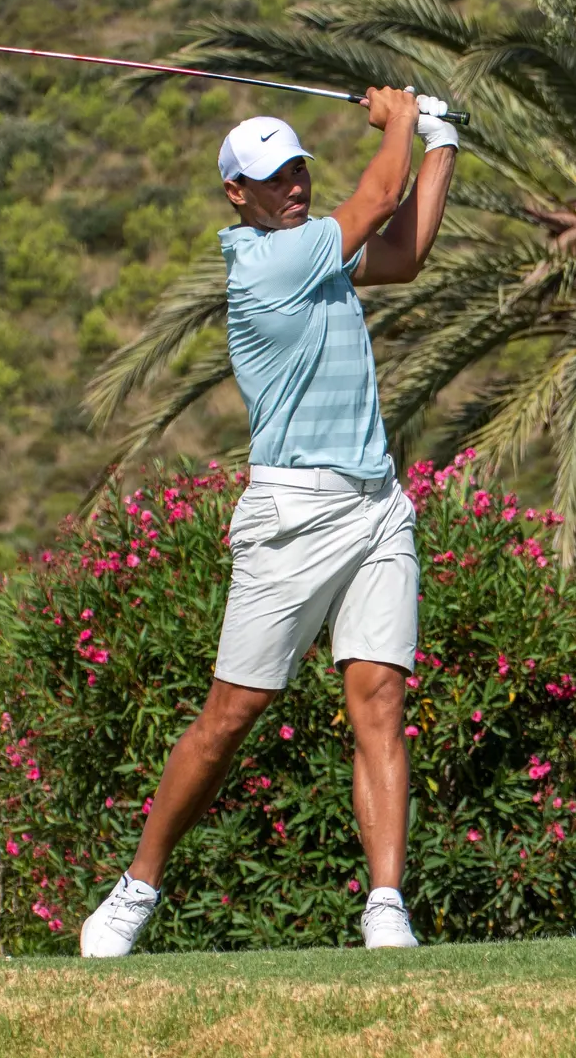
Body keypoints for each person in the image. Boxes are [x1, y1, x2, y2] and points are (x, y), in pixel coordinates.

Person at [80, 86, 459, 956]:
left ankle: (386, 906)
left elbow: (401, 255)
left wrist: (440, 142)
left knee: (381, 700)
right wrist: (400, 117)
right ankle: (139, 886)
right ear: (236, 195)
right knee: (230, 713)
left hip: (375, 507)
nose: (291, 184)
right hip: (291, 515)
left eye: (297, 169)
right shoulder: (267, 266)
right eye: (271, 176)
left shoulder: (317, 255)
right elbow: (372, 202)